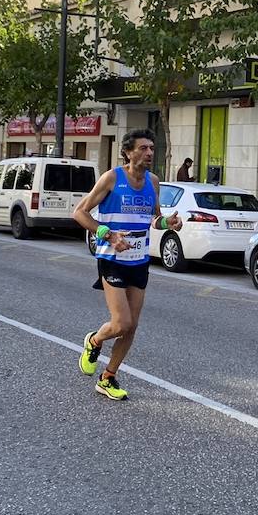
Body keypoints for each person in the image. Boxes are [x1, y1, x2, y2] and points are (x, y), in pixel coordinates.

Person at [73, 130, 182, 401]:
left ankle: (108, 377)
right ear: (128, 152)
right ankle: (94, 341)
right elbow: (79, 212)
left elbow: (154, 219)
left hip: (139, 261)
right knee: (121, 323)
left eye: (152, 148)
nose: (149, 153)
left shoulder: (153, 182)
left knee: (132, 326)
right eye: (143, 148)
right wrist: (108, 235)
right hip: (112, 259)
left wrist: (169, 223)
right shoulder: (112, 178)